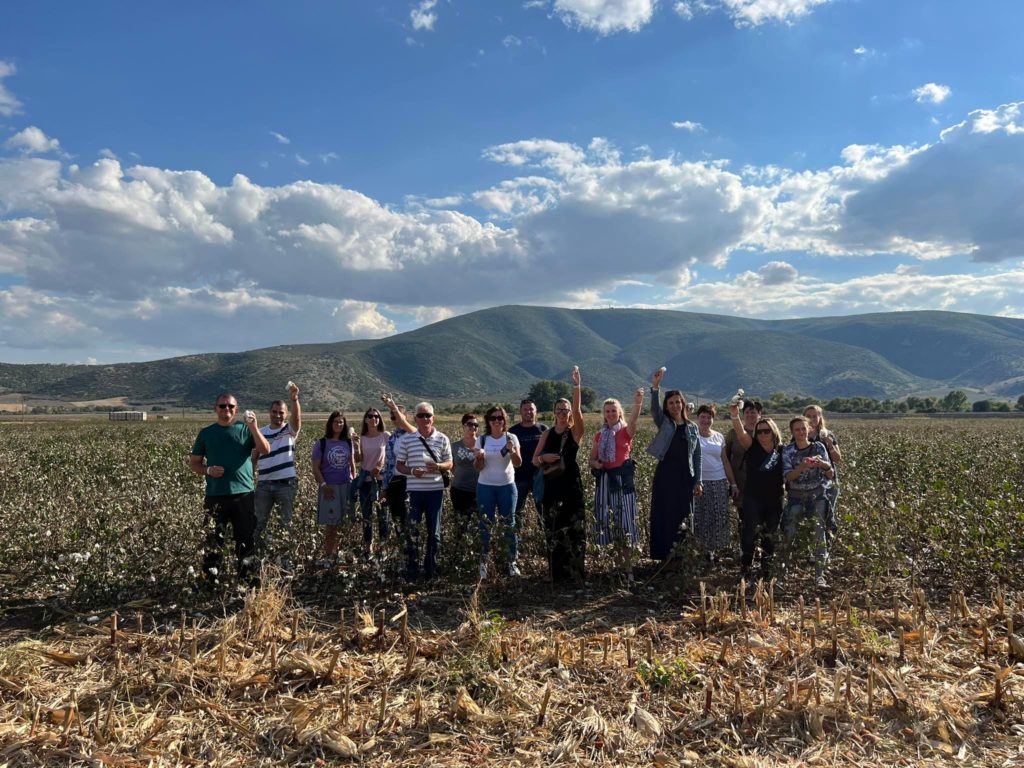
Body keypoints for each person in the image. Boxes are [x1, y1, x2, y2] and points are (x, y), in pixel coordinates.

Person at [189, 393, 271, 587]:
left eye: (231, 406)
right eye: (223, 406)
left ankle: (247, 580)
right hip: (215, 495)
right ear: (215, 408)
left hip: (244, 494)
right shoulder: (206, 433)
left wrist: (253, 427)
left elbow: (265, 448)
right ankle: (210, 581)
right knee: (213, 540)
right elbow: (194, 463)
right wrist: (208, 470)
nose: (227, 410)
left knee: (245, 539)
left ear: (237, 408)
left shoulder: (245, 429)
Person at [533, 366, 586, 585]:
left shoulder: (574, 432)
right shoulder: (546, 433)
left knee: (574, 527)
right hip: (552, 485)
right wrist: (545, 459)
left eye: (566, 410)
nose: (562, 414)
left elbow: (579, 411)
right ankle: (555, 573)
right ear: (553, 413)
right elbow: (534, 459)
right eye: (559, 410)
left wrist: (576, 386)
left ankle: (575, 573)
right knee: (553, 527)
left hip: (571, 484)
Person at [647, 369, 702, 567]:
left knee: (684, 514)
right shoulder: (664, 423)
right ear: (667, 406)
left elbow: (697, 456)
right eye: (671, 403)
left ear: (683, 404)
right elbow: (654, 410)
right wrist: (655, 388)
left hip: (685, 477)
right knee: (665, 514)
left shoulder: (692, 428)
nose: (675, 405)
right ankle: (666, 558)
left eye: (678, 402)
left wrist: (698, 480)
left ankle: (683, 556)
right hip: (665, 476)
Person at [590, 388, 644, 582]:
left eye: (614, 411)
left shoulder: (625, 431)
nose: (611, 414)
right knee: (609, 522)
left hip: (622, 481)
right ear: (603, 414)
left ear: (619, 412)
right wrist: (596, 464)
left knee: (625, 521)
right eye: (607, 411)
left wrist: (638, 402)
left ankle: (628, 568)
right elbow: (591, 459)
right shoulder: (600, 435)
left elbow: (634, 420)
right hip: (605, 481)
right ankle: (616, 566)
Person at [395, 402, 453, 581]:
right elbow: (399, 466)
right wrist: (412, 472)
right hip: (414, 492)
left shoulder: (442, 439)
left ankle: (430, 569)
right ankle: (412, 569)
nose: (425, 418)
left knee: (433, 533)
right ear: (415, 419)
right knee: (412, 530)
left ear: (433, 418)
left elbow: (450, 463)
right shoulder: (407, 440)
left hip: (435, 491)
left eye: (428, 415)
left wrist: (438, 466)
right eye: (421, 415)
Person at [728, 404, 784, 581]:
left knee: (770, 534)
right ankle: (746, 566)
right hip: (753, 498)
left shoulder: (782, 451)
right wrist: (735, 416)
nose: (762, 434)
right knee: (749, 533)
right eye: (759, 432)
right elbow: (740, 432)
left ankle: (766, 567)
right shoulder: (751, 447)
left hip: (775, 499)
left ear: (773, 431)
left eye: (766, 431)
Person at [782, 416, 836, 588]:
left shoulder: (819, 447)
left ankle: (820, 575)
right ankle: (783, 573)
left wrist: (822, 464)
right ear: (792, 432)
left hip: (818, 495)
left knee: (820, 534)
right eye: (797, 429)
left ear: (809, 430)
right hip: (796, 496)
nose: (801, 432)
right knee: (789, 534)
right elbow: (788, 477)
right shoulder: (788, 451)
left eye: (803, 429)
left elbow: (830, 474)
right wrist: (801, 467)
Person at [253, 383, 301, 560]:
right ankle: (256, 557)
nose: (278, 415)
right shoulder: (260, 432)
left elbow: (297, 420)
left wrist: (294, 399)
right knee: (258, 523)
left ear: (286, 414)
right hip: (264, 484)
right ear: (269, 413)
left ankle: (284, 560)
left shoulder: (289, 430)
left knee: (286, 524)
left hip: (286, 484)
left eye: (281, 412)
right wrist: (251, 476)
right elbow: (255, 456)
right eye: (274, 411)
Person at [474, 406, 522, 580]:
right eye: (493, 418)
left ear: (504, 421)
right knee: (485, 524)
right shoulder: (482, 440)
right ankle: (483, 564)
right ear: (488, 421)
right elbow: (477, 468)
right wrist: (479, 458)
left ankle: (511, 562)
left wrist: (512, 450)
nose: (496, 421)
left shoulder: (512, 438)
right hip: (485, 486)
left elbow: (518, 463)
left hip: (507, 486)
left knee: (509, 523)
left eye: (500, 418)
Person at [693, 403, 739, 557]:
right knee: (700, 516)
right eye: (703, 417)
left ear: (713, 419)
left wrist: (732, 483)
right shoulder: (692, 435)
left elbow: (725, 461)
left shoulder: (719, 436)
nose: (706, 420)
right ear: (697, 418)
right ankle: (699, 551)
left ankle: (712, 552)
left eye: (709, 417)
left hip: (719, 481)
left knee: (718, 515)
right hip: (699, 483)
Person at [311, 411, 356, 566]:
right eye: (336, 421)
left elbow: (352, 465)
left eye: (341, 422)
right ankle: (330, 555)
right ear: (330, 423)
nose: (339, 424)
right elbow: (315, 468)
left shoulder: (348, 443)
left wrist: (353, 481)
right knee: (331, 524)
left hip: (346, 486)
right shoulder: (322, 443)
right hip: (329, 488)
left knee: (346, 522)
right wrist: (324, 485)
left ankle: (342, 553)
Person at [355, 406, 389, 559]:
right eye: (370, 416)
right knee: (367, 515)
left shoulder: (385, 436)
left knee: (383, 515)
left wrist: (381, 466)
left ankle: (382, 548)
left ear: (379, 419)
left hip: (381, 481)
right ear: (365, 419)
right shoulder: (361, 438)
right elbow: (358, 459)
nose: (373, 418)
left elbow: (392, 456)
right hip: (366, 482)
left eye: (376, 416)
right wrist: (355, 446)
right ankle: (368, 547)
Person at [803, 404, 842, 537]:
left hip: (829, 482)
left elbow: (837, 459)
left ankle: (827, 548)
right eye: (808, 416)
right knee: (810, 516)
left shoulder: (828, 434)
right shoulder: (800, 435)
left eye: (815, 416)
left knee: (827, 516)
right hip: (808, 484)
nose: (812, 419)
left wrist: (830, 445)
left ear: (820, 417)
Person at [380, 396, 415, 541]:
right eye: (393, 417)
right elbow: (388, 465)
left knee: (409, 521)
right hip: (395, 482)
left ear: (405, 417)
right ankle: (403, 555)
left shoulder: (412, 434)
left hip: (409, 482)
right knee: (398, 520)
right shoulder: (392, 438)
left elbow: (405, 425)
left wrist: (392, 406)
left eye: (399, 416)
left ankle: (412, 554)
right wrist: (385, 487)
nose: (396, 419)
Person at [726, 399, 763, 529]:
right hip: (739, 482)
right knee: (743, 520)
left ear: (760, 414)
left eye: (753, 412)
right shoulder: (733, 433)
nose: (750, 415)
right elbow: (725, 457)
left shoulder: (765, 432)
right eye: (747, 412)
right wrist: (731, 482)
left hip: (760, 483)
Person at [508, 398, 547, 520]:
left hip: (540, 476)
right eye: (525, 409)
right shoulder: (513, 432)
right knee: (517, 511)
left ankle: (544, 536)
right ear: (520, 411)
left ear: (536, 411)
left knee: (542, 511)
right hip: (519, 477)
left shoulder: (544, 430)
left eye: (531, 409)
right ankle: (517, 538)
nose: (528, 412)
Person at [450, 413, 482, 551]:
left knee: (478, 523)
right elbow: (451, 465)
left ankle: (476, 551)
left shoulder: (482, 443)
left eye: (475, 425)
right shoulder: (455, 446)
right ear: (463, 426)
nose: (473, 427)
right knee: (460, 523)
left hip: (479, 490)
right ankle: (459, 551)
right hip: (459, 490)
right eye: (470, 424)